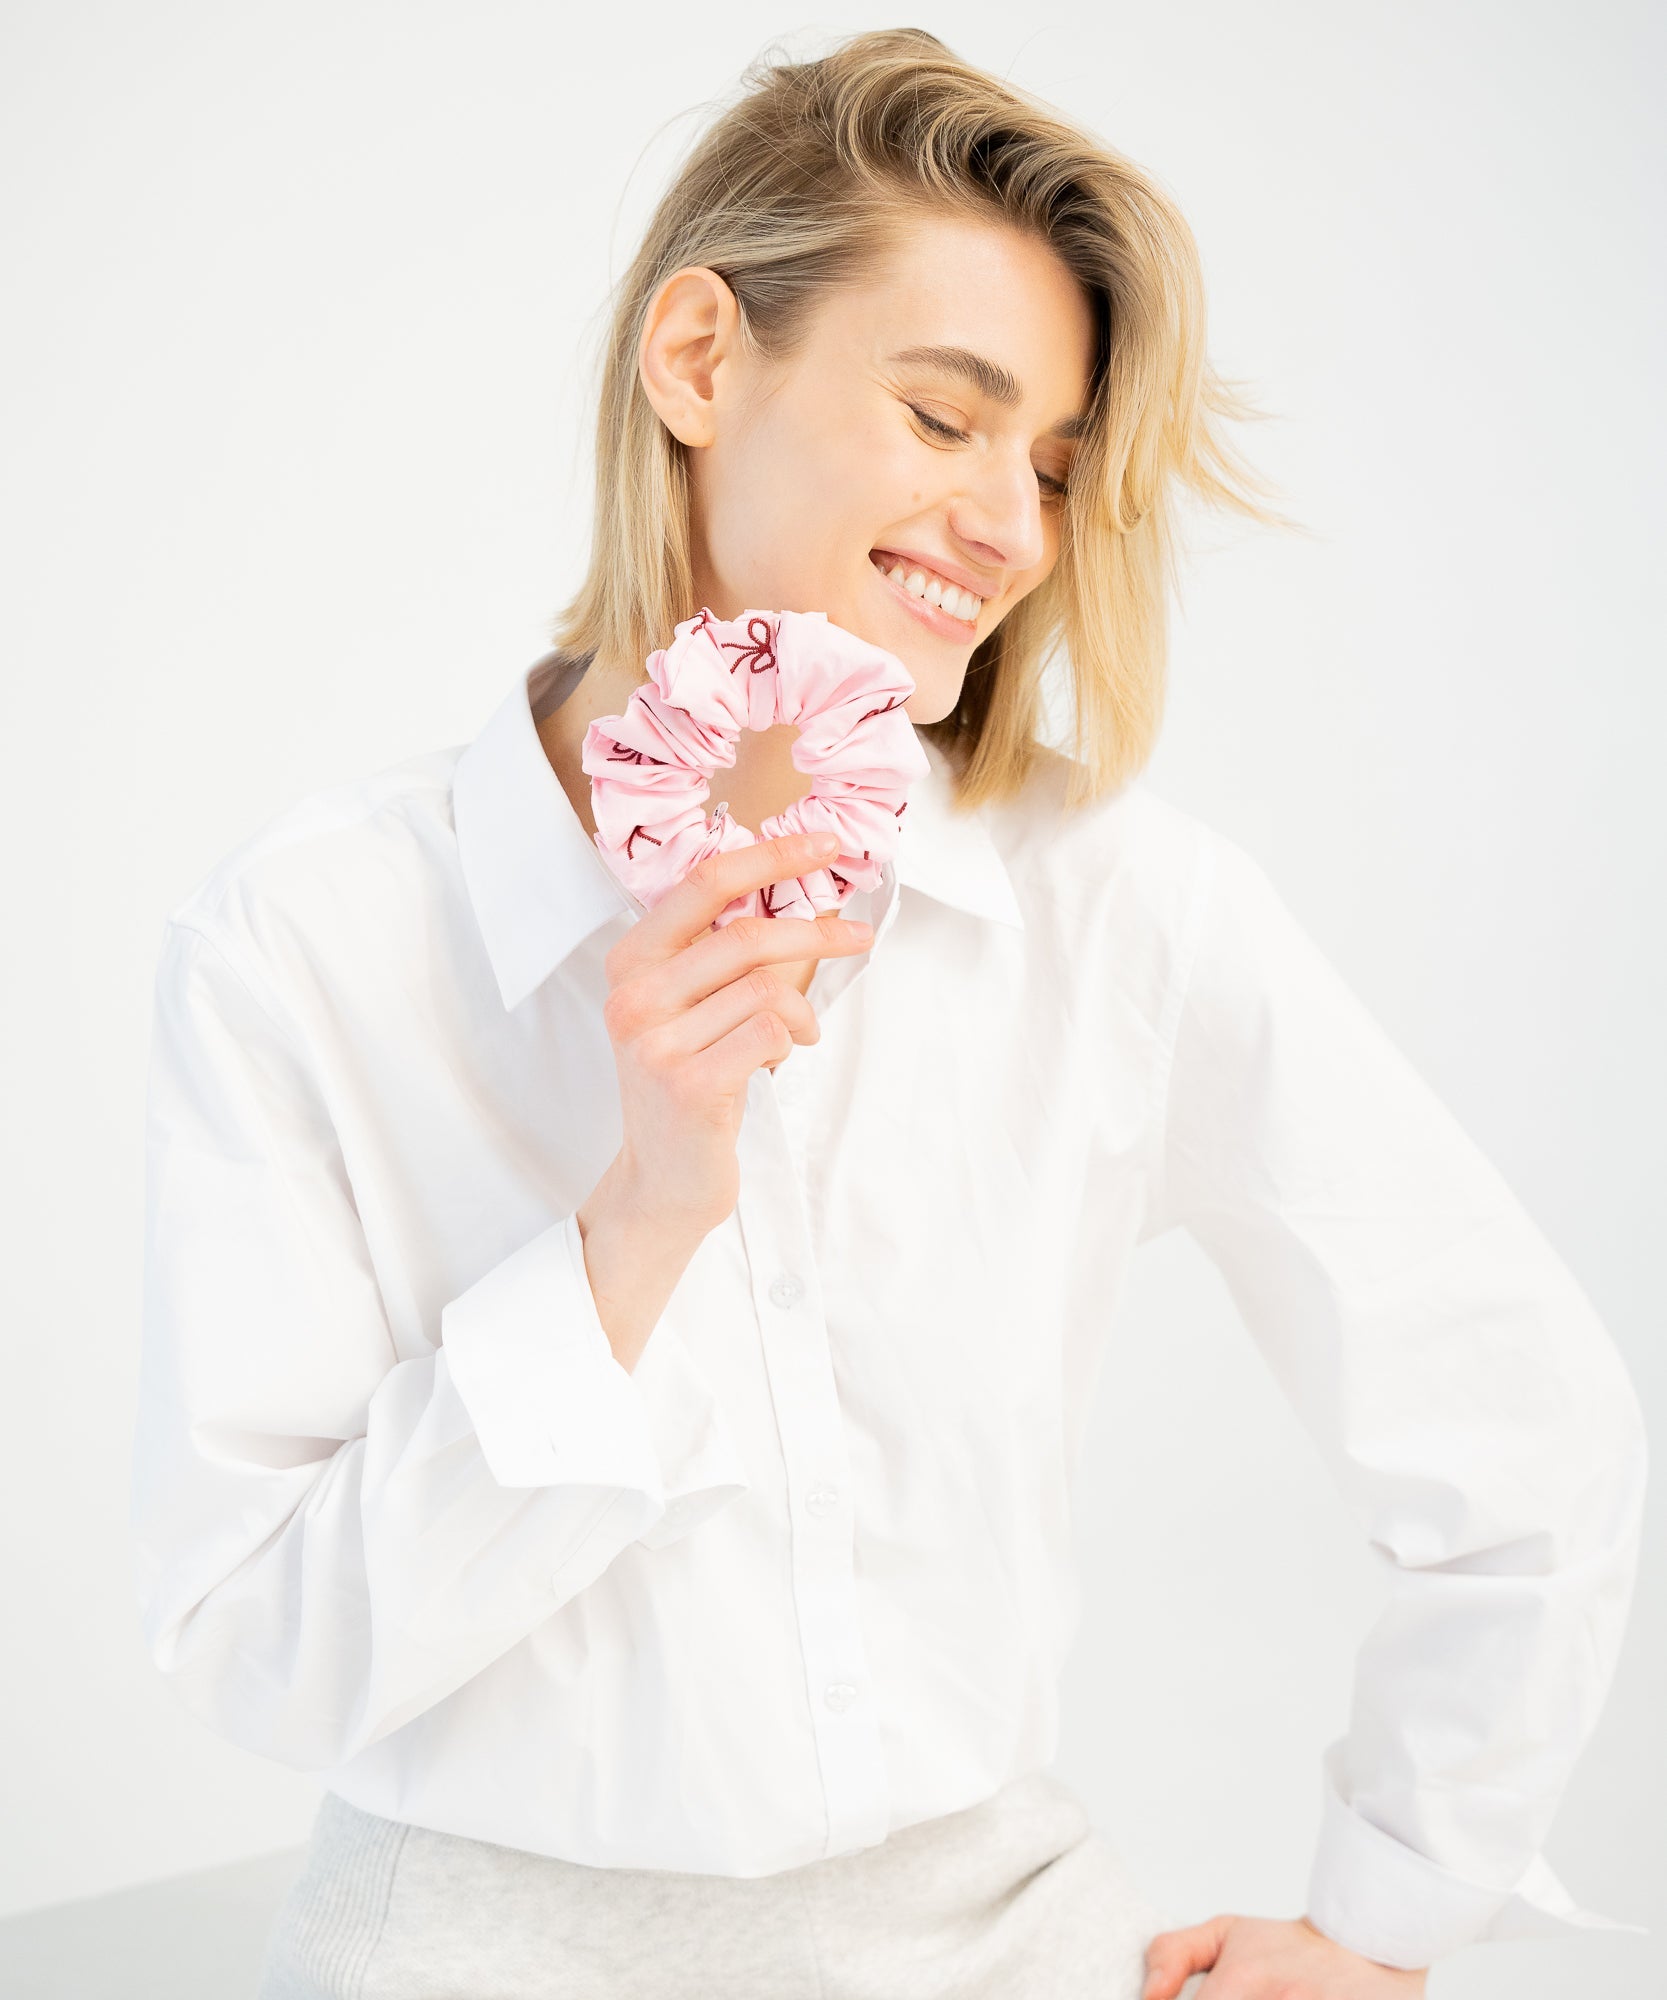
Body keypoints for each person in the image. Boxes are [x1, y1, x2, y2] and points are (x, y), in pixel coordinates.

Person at [129, 27, 1648, 2000]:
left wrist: (1391, 1915)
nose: (1013, 531)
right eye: (946, 417)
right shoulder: (307, 940)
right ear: (696, 361)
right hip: (459, 1940)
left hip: (1000, 1932)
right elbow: (258, 1643)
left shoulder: (1116, 910)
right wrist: (639, 1223)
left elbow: (1525, 1421)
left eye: (1053, 467)